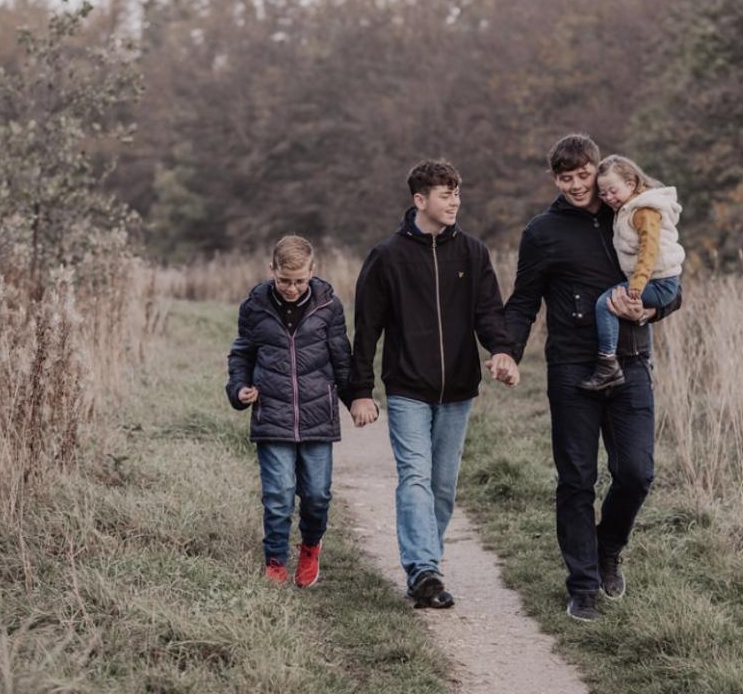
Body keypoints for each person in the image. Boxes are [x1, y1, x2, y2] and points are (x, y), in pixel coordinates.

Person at [503, 134, 682, 622]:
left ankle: (608, 550)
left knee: (637, 472)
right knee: (577, 479)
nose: (579, 186)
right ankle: (582, 585)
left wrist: (651, 307)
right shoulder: (542, 232)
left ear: (599, 171)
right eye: (567, 178)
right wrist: (507, 350)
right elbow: (523, 301)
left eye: (585, 175)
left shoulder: (626, 213)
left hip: (632, 363)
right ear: (555, 179)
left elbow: (672, 283)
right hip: (572, 368)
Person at [349, 159, 519, 610]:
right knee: (415, 478)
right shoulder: (388, 256)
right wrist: (360, 390)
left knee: (443, 485)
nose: (455, 202)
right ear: (419, 200)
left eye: (457, 194)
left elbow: (489, 313)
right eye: (446, 195)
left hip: (459, 389)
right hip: (407, 387)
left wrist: (501, 351)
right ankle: (423, 569)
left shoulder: (473, 253)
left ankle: (427, 562)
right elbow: (366, 329)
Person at [226, 235, 351, 587]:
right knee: (279, 494)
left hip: (317, 416)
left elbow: (341, 357)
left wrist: (357, 398)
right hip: (273, 414)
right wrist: (239, 389)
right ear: (272, 271)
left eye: (300, 281)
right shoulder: (254, 307)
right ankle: (276, 561)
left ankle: (310, 546)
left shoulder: (329, 307)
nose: (292, 289)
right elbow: (242, 354)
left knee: (316, 494)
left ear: (313, 271)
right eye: (284, 281)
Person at [579, 154, 684, 391]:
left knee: (605, 304)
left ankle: (608, 364)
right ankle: (626, 363)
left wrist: (637, 284)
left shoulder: (643, 211)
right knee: (613, 305)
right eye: (603, 193)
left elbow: (650, 249)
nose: (608, 198)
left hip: (660, 283)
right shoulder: (627, 209)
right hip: (657, 281)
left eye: (612, 191)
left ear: (631, 183)